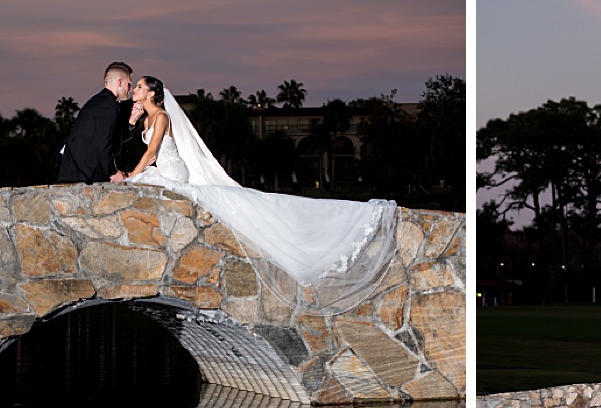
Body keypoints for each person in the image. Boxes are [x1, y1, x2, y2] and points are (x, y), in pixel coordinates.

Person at [121, 77, 397, 315]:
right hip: (162, 166)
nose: (136, 89)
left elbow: (151, 153)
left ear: (152, 93)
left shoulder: (161, 117)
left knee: (146, 182)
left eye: (141, 86)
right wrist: (133, 122)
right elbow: (138, 146)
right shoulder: (146, 117)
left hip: (172, 170)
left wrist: (132, 175)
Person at [55, 63, 133, 184]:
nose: (130, 89)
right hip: (82, 170)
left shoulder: (99, 100)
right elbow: (103, 143)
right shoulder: (108, 105)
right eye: (129, 84)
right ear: (119, 82)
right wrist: (111, 173)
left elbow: (112, 140)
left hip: (75, 166)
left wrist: (132, 121)